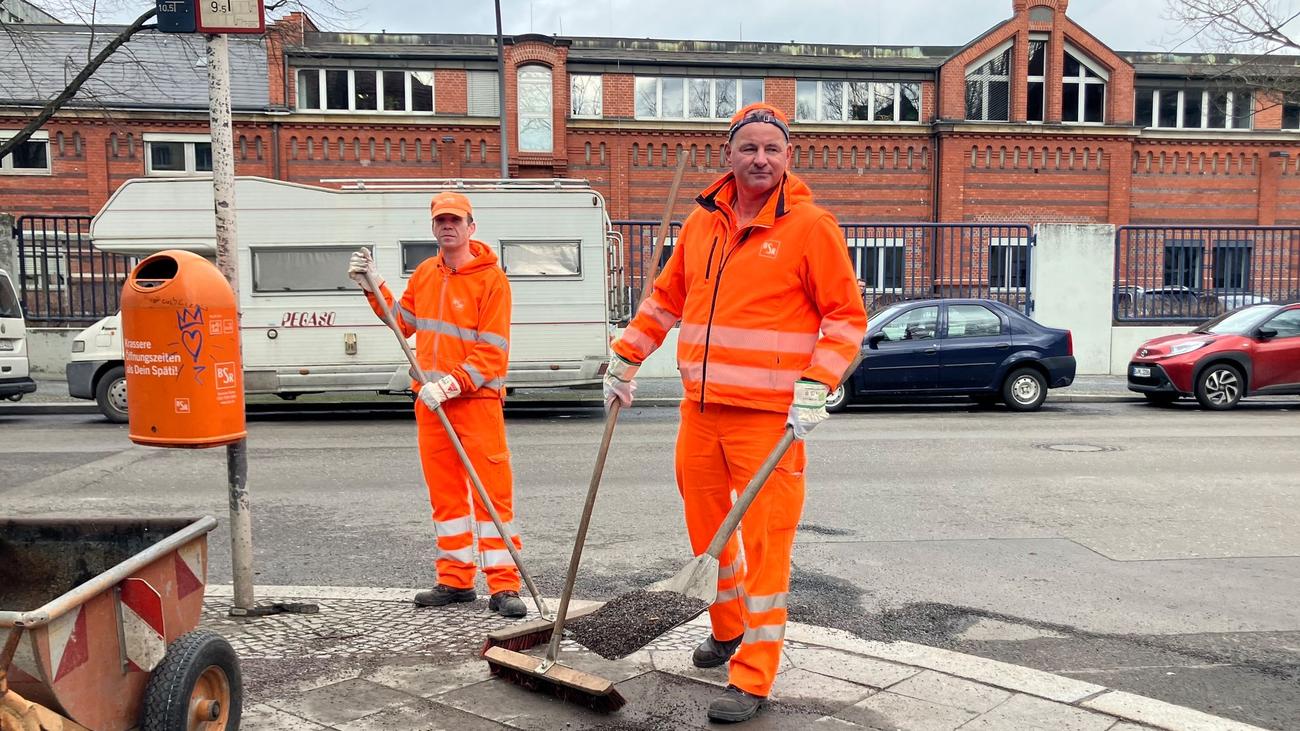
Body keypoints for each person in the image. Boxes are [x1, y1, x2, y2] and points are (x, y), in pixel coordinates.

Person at [605, 103, 867, 723]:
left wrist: (817, 385)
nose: (760, 159)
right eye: (748, 147)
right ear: (729, 155)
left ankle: (753, 675)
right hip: (700, 411)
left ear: (788, 158)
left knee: (766, 547)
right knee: (709, 534)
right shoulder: (705, 224)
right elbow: (666, 299)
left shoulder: (810, 227)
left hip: (769, 420)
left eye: (771, 149)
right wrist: (625, 358)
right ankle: (726, 630)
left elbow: (845, 318)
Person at [348, 191, 527, 619]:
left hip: (475, 402)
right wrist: (373, 285)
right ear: (433, 228)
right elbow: (402, 321)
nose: (448, 226)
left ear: (471, 227)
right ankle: (456, 580)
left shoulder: (492, 281)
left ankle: (504, 587)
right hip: (429, 404)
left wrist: (450, 385)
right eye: (441, 220)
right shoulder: (426, 273)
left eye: (456, 220)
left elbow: (493, 351)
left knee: (491, 498)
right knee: (446, 498)